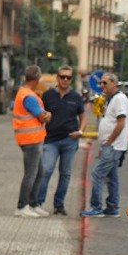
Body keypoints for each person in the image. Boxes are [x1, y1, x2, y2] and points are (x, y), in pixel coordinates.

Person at [33, 66, 87, 214]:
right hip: (50, 140)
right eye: (62, 76)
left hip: (70, 141)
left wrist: (80, 131)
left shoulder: (76, 97)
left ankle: (59, 205)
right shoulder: (48, 95)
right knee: (46, 170)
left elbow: (83, 117)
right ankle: (38, 203)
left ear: (71, 79)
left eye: (68, 77)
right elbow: (40, 115)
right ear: (57, 78)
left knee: (65, 174)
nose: (65, 80)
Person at [82, 72, 128, 218]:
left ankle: (96, 207)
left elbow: (121, 123)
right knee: (112, 178)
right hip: (110, 145)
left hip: (114, 146)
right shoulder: (111, 99)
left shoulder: (119, 99)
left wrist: (109, 141)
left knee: (97, 174)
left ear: (114, 83)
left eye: (105, 83)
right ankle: (112, 207)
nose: (102, 85)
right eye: (101, 83)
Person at [13, 64, 52, 217]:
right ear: (37, 79)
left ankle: (33, 204)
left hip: (33, 139)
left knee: (39, 172)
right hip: (30, 140)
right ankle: (22, 206)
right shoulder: (28, 96)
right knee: (31, 174)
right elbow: (42, 116)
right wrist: (48, 115)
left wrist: (45, 114)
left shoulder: (25, 93)